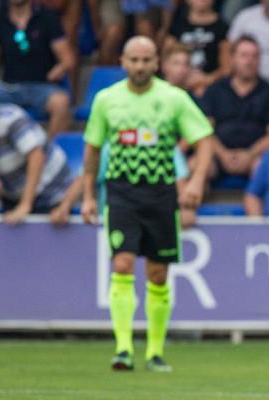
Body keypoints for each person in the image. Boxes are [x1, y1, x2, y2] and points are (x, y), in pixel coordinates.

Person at [79, 36, 213, 373]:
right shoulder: (107, 100)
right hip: (121, 192)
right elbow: (92, 149)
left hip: (161, 194)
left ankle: (154, 352)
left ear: (157, 63)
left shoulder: (173, 99)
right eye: (134, 60)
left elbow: (204, 139)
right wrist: (88, 195)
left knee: (158, 273)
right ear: (123, 62)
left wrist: (195, 181)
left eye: (146, 60)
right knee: (122, 264)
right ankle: (123, 348)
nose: (140, 66)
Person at [199, 36, 269, 181]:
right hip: (218, 154)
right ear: (232, 58)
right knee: (196, 166)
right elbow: (204, 130)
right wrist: (223, 154)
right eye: (244, 55)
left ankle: (256, 203)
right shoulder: (215, 89)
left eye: (255, 56)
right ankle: (190, 204)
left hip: (255, 156)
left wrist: (250, 154)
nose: (249, 61)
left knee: (263, 167)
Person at [0, 0, 75, 138]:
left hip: (42, 86)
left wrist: (58, 70)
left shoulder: (48, 18)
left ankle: (50, 152)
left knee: (61, 103)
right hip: (8, 88)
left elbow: (68, 59)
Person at [0, 97, 78, 225]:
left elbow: (36, 157)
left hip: (51, 192)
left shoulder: (12, 119)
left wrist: (25, 205)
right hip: (13, 196)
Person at [165, 0, 231, 96]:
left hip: (210, 89)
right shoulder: (176, 24)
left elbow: (226, 69)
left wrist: (206, 80)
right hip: (177, 86)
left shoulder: (222, 28)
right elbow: (166, 61)